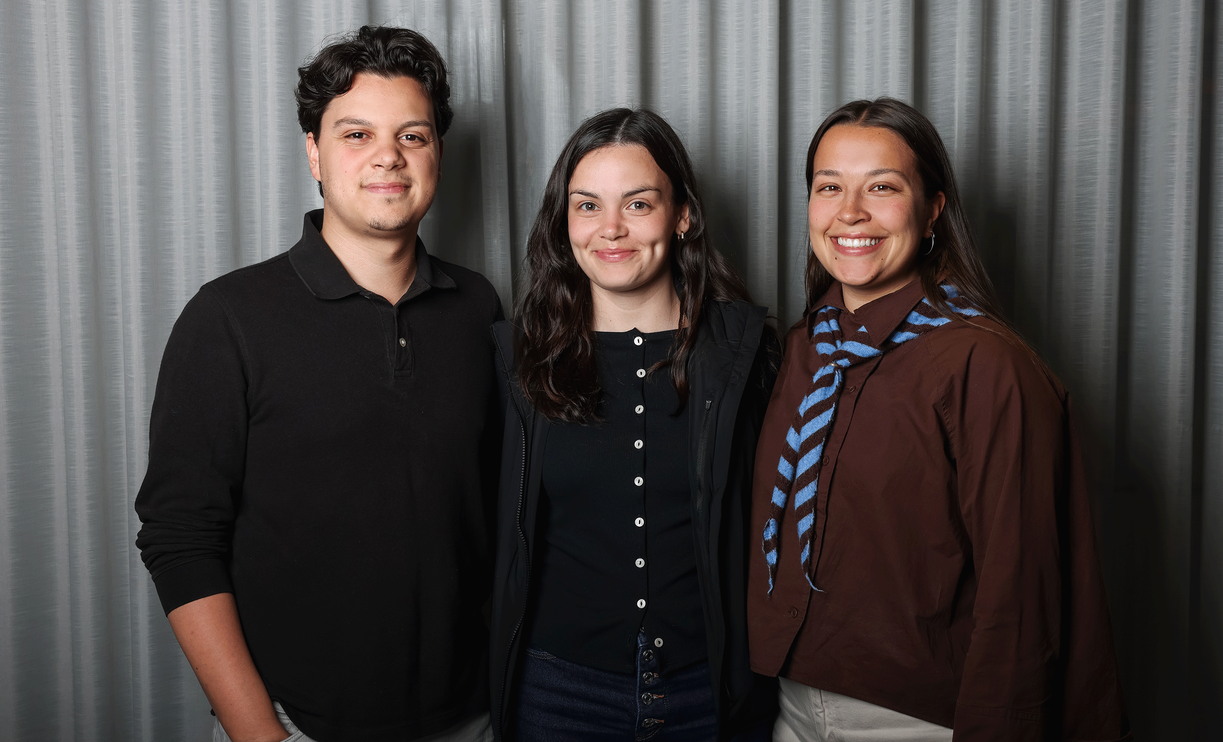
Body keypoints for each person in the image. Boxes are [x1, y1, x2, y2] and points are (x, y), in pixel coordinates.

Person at [135, 26, 500, 742]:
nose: (387, 157)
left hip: (473, 718)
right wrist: (258, 733)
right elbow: (180, 538)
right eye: (356, 133)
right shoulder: (228, 317)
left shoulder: (479, 308)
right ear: (314, 152)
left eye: (413, 136)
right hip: (294, 726)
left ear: (438, 154)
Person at [746, 98, 1130, 742]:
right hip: (791, 706)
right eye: (829, 187)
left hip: (917, 720)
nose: (850, 212)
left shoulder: (986, 365)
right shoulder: (804, 348)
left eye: (883, 188)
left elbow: (1021, 598)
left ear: (932, 210)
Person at [488, 108, 778, 741]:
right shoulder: (518, 361)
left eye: (638, 204)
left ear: (683, 216)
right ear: (563, 223)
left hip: (710, 691)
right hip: (558, 694)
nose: (610, 229)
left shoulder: (748, 354)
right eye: (587, 206)